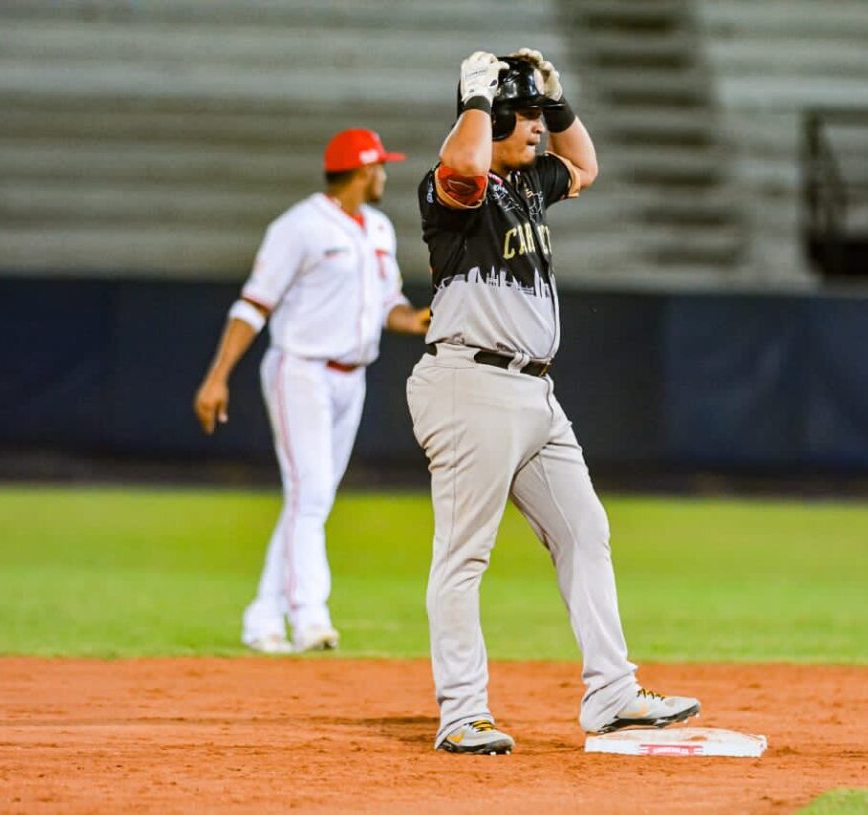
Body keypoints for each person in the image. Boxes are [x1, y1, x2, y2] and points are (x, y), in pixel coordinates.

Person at [407, 49, 701, 754]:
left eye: (540, 117)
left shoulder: (529, 184)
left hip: (535, 388)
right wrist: (478, 99)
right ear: (493, 117)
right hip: (468, 382)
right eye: (527, 116)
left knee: (585, 530)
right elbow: (467, 169)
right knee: (463, 555)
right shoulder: (454, 185)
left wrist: (558, 98)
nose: (538, 129)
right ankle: (462, 710)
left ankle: (612, 691)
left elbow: (588, 167)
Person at [194, 128, 430, 655]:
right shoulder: (298, 227)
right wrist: (217, 376)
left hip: (353, 375)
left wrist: (416, 320)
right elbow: (252, 305)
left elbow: (388, 303)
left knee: (310, 498)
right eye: (381, 167)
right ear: (364, 170)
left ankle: (262, 617)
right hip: (299, 369)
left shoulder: (379, 228)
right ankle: (310, 616)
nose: (386, 175)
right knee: (313, 493)